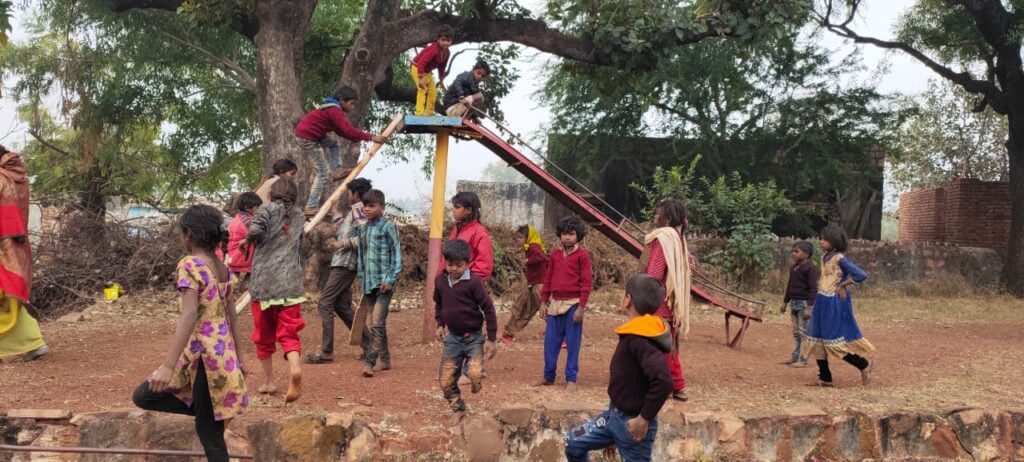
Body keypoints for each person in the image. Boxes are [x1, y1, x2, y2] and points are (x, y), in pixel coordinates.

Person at [132, 205, 249, 462]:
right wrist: (240, 360)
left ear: (189, 235)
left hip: (207, 359)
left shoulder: (189, 265)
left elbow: (188, 315)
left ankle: (206, 410)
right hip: (220, 358)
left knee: (210, 435)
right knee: (144, 395)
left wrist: (167, 365)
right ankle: (205, 408)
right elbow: (234, 316)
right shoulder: (224, 269)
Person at [564, 274, 672, 462]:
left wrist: (644, 419)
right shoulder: (634, 332)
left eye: (624, 294)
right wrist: (612, 436)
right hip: (613, 416)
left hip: (632, 424)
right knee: (573, 443)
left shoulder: (641, 338)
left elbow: (663, 381)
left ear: (628, 299)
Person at [240, 179, 306, 402]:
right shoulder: (298, 215)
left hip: (265, 285)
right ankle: (295, 368)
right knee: (289, 332)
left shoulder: (267, 209)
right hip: (291, 285)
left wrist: (245, 241)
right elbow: (300, 243)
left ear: (272, 193)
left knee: (263, 335)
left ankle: (269, 382)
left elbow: (255, 229)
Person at [306, 178, 374, 364]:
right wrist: (334, 212)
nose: (347, 196)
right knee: (341, 306)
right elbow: (344, 229)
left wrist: (342, 244)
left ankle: (327, 351)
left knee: (324, 303)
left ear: (356, 195)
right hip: (343, 264)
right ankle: (369, 344)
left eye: (349, 193)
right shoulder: (355, 212)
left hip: (345, 264)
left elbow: (366, 238)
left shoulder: (360, 210)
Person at [294, 86, 386, 215]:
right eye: (352, 103)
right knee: (323, 172)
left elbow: (342, 131)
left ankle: (336, 170)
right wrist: (371, 137)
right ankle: (311, 206)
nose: (353, 107)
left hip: (310, 135)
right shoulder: (334, 110)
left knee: (334, 144)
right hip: (308, 138)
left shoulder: (332, 109)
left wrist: (361, 138)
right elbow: (347, 130)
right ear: (342, 101)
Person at [434, 239, 497, 424]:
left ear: (467, 264)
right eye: (450, 264)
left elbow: (489, 309)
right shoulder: (441, 282)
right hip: (452, 337)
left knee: (475, 371)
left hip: (474, 337)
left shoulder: (474, 282)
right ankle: (458, 408)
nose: (454, 268)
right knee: (445, 380)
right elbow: (439, 304)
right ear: (445, 263)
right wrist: (439, 324)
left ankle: (475, 379)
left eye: (459, 265)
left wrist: (491, 339)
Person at [804, 225, 873, 387]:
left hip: (834, 303)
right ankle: (825, 377)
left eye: (825, 239)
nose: (821, 242)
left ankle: (863, 364)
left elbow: (861, 275)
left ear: (834, 242)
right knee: (817, 341)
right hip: (822, 301)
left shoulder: (840, 259)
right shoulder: (824, 257)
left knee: (832, 341)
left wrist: (843, 285)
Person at [0, 147, 47, 362]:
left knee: (6, 293)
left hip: (4, 244)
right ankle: (33, 343)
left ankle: (32, 343)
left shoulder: (2, 178)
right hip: (16, 241)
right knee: (11, 292)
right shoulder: (16, 176)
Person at [643, 198, 692, 402]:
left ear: (667, 218)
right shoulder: (679, 239)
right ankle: (677, 385)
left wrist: (643, 299)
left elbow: (654, 273)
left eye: (657, 213)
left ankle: (659, 386)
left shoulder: (662, 238)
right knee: (668, 346)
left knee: (656, 347)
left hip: (659, 303)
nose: (655, 216)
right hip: (673, 302)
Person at [536, 216, 592, 391]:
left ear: (578, 236)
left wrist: (581, 307)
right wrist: (543, 301)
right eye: (564, 234)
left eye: (571, 234)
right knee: (550, 342)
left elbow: (587, 283)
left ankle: (571, 379)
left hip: (574, 304)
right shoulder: (554, 254)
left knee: (573, 343)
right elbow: (548, 277)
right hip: (555, 303)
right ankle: (548, 376)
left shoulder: (583, 256)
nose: (567, 237)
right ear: (559, 235)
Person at [357, 189, 402, 378]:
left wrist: (390, 278)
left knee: (376, 323)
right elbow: (361, 255)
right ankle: (385, 360)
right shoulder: (363, 229)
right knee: (377, 323)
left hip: (384, 284)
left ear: (381, 207)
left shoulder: (388, 227)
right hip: (369, 283)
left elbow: (397, 254)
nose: (367, 209)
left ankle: (370, 361)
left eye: (371, 206)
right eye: (365, 206)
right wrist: (361, 277)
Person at [500, 225, 548, 345]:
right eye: (517, 238)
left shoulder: (533, 247)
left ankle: (560, 334)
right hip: (532, 284)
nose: (518, 240)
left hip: (539, 285)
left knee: (545, 310)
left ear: (528, 237)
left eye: (521, 238)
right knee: (521, 309)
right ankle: (508, 333)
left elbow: (542, 257)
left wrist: (528, 261)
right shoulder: (529, 247)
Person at [779, 240, 819, 368]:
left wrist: (809, 307)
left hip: (804, 304)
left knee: (804, 332)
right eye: (793, 251)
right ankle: (794, 356)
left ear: (806, 254)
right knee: (796, 332)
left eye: (797, 251)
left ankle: (803, 359)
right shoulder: (794, 268)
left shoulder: (810, 269)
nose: (793, 254)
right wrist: (785, 302)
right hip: (794, 303)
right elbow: (789, 286)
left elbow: (813, 289)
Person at [440, 191, 493, 282]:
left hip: (464, 287)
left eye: (457, 207)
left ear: (468, 210)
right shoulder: (457, 229)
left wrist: (465, 283)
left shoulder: (479, 232)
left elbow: (484, 266)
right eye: (454, 207)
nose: (453, 210)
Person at [411, 26, 453, 115]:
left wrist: (441, 78)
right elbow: (421, 63)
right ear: (438, 40)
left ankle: (429, 113)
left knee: (433, 91)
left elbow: (442, 66)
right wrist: (421, 79)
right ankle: (419, 113)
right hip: (417, 67)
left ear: (451, 41)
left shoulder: (447, 53)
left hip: (427, 71)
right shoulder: (434, 49)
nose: (445, 43)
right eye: (443, 40)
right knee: (422, 89)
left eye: (448, 41)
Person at [227, 192, 262, 281]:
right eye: (258, 208)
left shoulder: (237, 218)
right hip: (243, 256)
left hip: (234, 256)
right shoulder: (247, 221)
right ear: (247, 207)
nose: (260, 211)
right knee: (246, 282)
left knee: (233, 281)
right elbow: (255, 233)